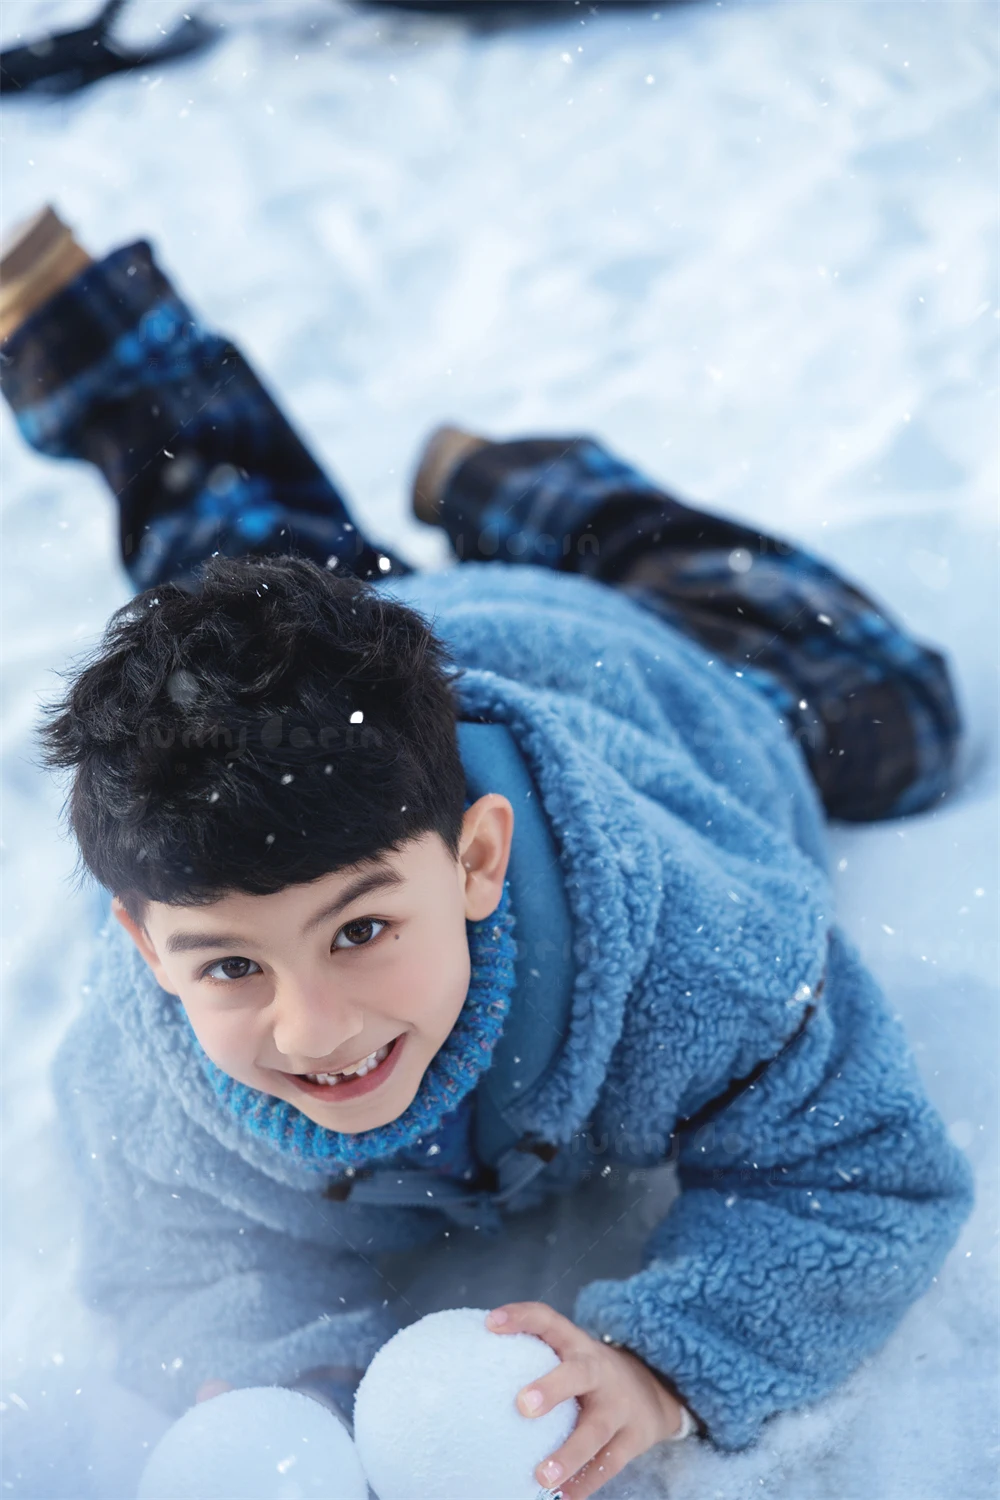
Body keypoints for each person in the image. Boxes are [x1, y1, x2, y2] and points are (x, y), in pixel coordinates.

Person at [1, 206, 973, 1497]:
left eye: (360, 932)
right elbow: (185, 1264)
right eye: (230, 967)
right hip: (343, 699)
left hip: (618, 663)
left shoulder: (696, 944)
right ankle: (124, 364)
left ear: (476, 862)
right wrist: (275, 1384)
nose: (311, 1029)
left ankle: (541, 496)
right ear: (144, 940)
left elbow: (862, 1173)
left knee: (889, 712)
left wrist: (668, 1361)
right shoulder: (144, 1074)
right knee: (227, 600)